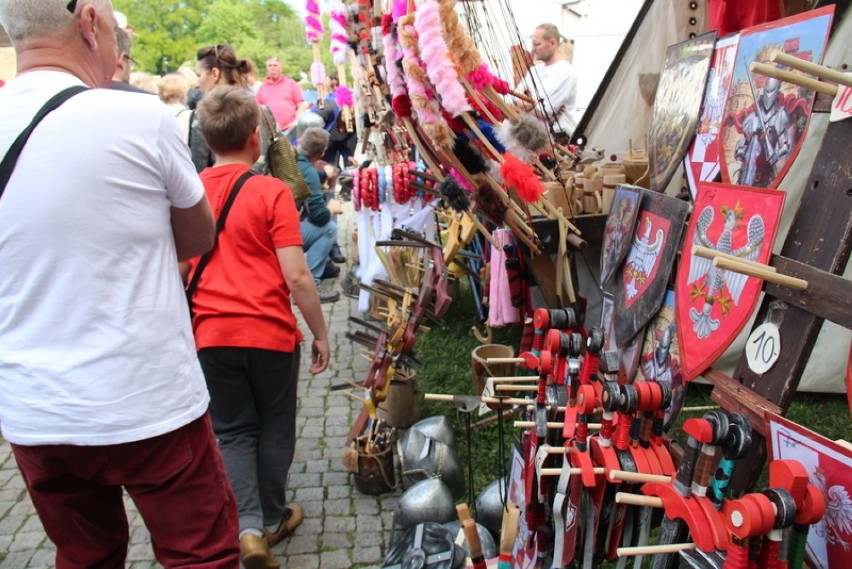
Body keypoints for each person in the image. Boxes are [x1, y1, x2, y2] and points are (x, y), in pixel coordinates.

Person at [0, 1, 240, 567]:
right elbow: (198, 235)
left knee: (85, 556)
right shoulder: (137, 117)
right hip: (145, 394)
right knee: (199, 555)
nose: (115, 43)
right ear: (87, 21)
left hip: (35, 408)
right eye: (113, 27)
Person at [189, 85, 331, 569]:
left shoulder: (189, 192)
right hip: (269, 332)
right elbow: (297, 275)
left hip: (210, 334)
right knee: (274, 425)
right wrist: (321, 332)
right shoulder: (271, 191)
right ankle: (272, 516)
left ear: (207, 139)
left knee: (231, 430)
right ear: (256, 137)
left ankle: (246, 528)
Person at [183, 44, 276, 174]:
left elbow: (198, 170)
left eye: (199, 74)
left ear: (215, 73)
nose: (198, 82)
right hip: (265, 191)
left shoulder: (204, 115)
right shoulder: (263, 111)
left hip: (220, 192)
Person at [297, 126, 344, 303]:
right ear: (321, 154)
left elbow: (302, 174)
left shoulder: (291, 158)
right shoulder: (308, 172)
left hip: (272, 228)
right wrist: (332, 208)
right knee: (329, 228)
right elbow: (319, 217)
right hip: (285, 234)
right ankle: (311, 287)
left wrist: (322, 173)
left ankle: (321, 266)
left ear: (302, 142)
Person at [516, 23, 579, 144]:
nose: (533, 48)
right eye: (533, 44)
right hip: (531, 138)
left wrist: (527, 105)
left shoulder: (566, 73)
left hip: (555, 141)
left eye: (537, 44)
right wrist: (533, 104)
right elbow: (513, 99)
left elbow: (545, 112)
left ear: (552, 43)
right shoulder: (534, 71)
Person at [256, 56, 307, 135]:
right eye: (269, 66)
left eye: (275, 65)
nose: (272, 68)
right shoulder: (262, 88)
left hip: (291, 130)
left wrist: (296, 122)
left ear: (281, 68)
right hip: (270, 132)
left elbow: (301, 105)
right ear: (266, 68)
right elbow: (257, 110)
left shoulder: (291, 84)